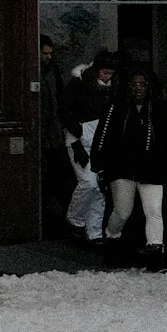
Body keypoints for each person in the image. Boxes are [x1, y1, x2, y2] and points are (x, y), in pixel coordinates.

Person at [90, 66, 167, 267]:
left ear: (149, 87)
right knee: (122, 210)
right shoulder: (116, 107)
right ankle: (112, 236)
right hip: (123, 167)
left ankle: (155, 251)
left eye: (142, 85)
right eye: (133, 84)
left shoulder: (158, 108)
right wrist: (101, 164)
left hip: (150, 168)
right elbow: (104, 137)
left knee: (154, 210)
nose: (137, 89)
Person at [60, 51, 118, 241]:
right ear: (96, 70)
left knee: (98, 187)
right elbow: (65, 111)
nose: (107, 77)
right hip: (80, 140)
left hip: (98, 141)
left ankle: (93, 231)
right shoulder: (78, 85)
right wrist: (76, 131)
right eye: (105, 72)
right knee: (89, 183)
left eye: (110, 73)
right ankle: (75, 220)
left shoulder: (110, 90)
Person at [39, 36, 71, 237]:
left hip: (52, 131)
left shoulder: (53, 72)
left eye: (50, 53)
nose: (48, 57)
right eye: (45, 53)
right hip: (43, 129)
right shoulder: (43, 73)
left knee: (57, 172)